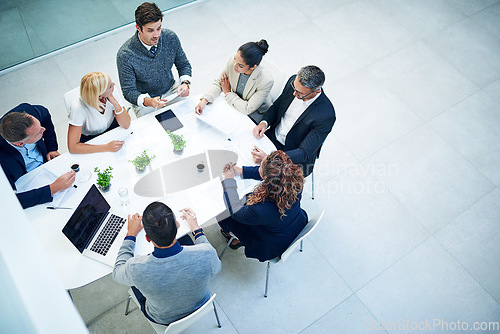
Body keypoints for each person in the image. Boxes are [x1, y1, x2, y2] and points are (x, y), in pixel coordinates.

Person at [113, 202, 221, 325]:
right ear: (178, 225)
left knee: (135, 284)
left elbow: (117, 272)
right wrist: (197, 229)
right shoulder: (206, 253)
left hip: (163, 318)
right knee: (187, 240)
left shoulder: (135, 268)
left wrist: (131, 234)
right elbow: (216, 268)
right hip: (201, 304)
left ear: (147, 238)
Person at [219, 150, 308, 262]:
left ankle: (231, 234)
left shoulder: (260, 209)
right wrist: (241, 171)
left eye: (260, 167)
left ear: (264, 176)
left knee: (222, 215)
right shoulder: (295, 180)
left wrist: (228, 180)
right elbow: (272, 174)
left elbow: (235, 210)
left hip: (268, 245)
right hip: (293, 225)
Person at [252, 65, 336, 177]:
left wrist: (270, 158)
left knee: (266, 184)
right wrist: (264, 122)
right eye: (294, 88)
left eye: (299, 94)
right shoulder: (294, 82)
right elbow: (277, 106)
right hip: (272, 137)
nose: (294, 94)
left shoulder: (326, 115)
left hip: (294, 157)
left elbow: (304, 152)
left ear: (316, 92)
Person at [117, 2, 192, 117]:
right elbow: (128, 91)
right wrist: (149, 101)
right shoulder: (125, 55)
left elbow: (183, 64)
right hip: (146, 100)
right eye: (150, 30)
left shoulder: (170, 37)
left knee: (189, 117)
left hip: (171, 90)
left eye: (159, 28)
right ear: (138, 28)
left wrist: (185, 83)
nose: (156, 35)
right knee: (158, 131)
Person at [0, 104, 75, 209]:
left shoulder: (29, 112)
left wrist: (51, 148)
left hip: (47, 164)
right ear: (20, 144)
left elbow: (45, 116)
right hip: (26, 183)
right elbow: (9, 202)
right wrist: (53, 188)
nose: (43, 129)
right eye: (38, 133)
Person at [195, 40, 274, 123]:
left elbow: (247, 109)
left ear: (253, 67)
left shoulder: (266, 81)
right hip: (236, 104)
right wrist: (204, 100)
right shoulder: (234, 62)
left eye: (240, 65)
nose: (234, 65)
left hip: (255, 113)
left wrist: (228, 92)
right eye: (235, 59)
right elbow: (220, 82)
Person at [67, 72, 131, 154]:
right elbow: (73, 147)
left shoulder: (111, 92)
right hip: (91, 138)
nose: (114, 84)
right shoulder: (78, 107)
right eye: (110, 86)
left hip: (112, 128)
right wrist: (106, 147)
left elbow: (126, 124)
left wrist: (115, 103)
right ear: (99, 96)